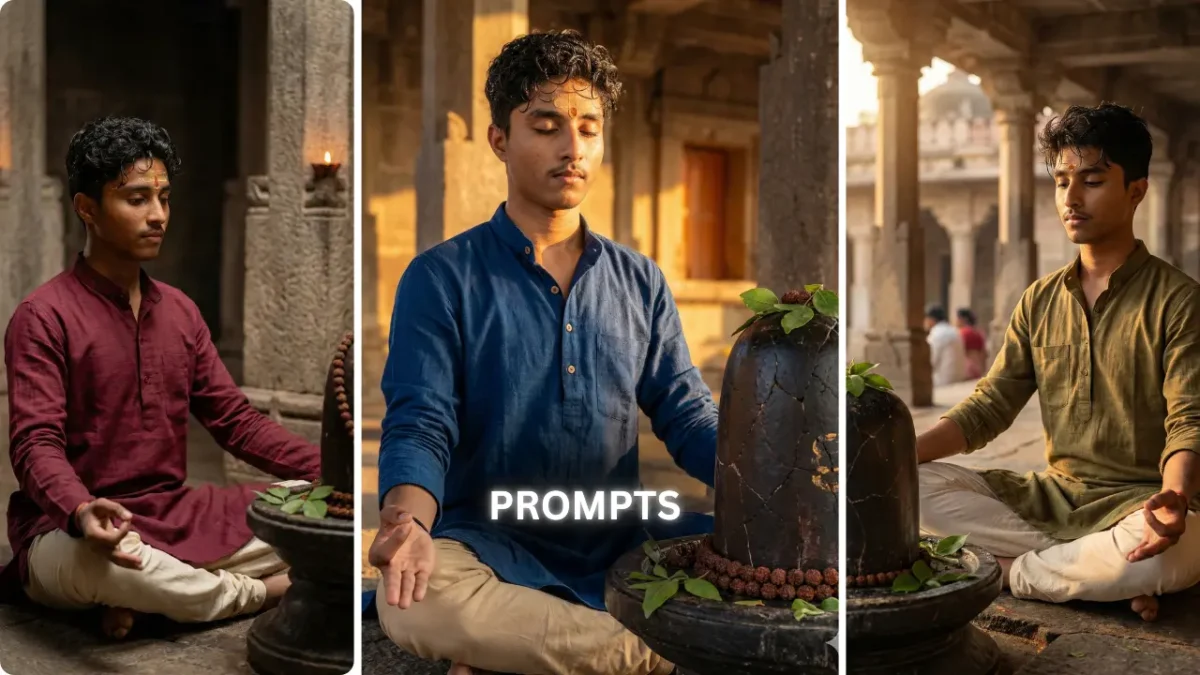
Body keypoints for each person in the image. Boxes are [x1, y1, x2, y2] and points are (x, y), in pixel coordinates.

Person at [366, 30, 717, 675]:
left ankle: (525, 651)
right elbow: (422, 419)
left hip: (618, 546)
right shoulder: (441, 276)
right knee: (418, 600)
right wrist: (410, 525)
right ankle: (665, 652)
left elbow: (687, 413)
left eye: (588, 127)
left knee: (778, 556)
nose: (573, 148)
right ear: (500, 138)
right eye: (548, 125)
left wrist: (777, 487)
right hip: (487, 544)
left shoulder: (639, 280)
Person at [3, 116, 321, 639]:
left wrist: (329, 470)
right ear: (87, 208)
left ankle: (155, 603)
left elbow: (234, 420)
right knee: (105, 563)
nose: (158, 216)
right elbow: (35, 444)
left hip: (176, 511)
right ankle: (266, 592)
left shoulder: (179, 312)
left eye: (164, 198)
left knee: (318, 506)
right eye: (136, 199)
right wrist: (81, 510)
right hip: (76, 529)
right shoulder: (43, 316)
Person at [916, 103, 1200, 622]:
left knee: (1176, 553)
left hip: (1139, 504)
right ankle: (1083, 577)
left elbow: (1190, 421)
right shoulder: (1040, 300)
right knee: (903, 489)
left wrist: (1176, 495)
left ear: (1136, 190)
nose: (1070, 198)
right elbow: (989, 407)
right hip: (1049, 500)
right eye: (1061, 180)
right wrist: (896, 456)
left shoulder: (1179, 301)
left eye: (1091, 180)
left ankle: (1005, 571)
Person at [925, 305, 966, 386]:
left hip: (942, 381)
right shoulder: (955, 331)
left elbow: (931, 361)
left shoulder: (936, 334)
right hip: (959, 379)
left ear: (931, 320)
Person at [955, 307, 987, 379]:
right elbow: (983, 352)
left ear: (962, 319)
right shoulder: (979, 332)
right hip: (978, 366)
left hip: (967, 366)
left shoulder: (963, 333)